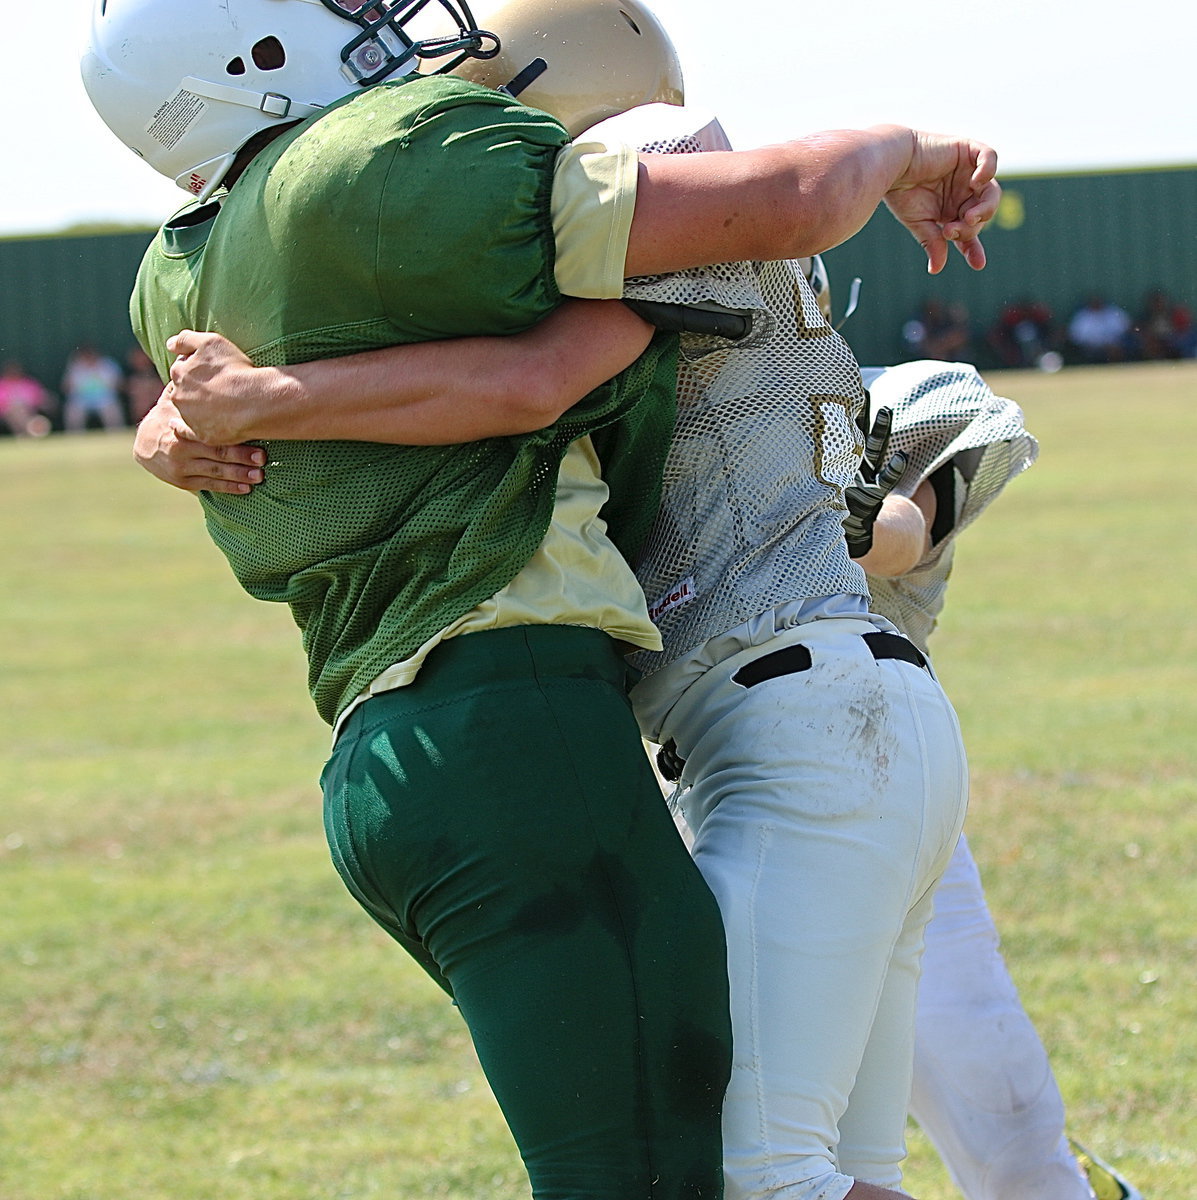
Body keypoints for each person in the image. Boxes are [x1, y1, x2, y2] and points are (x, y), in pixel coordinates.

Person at [131, 59, 1000, 1191]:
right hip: (854, 713)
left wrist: (258, 403)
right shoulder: (635, 228)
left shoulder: (640, 213)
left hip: (793, 727)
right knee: (833, 1171)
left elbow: (528, 382)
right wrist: (172, 427)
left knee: (755, 1177)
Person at [856, 358, 1141, 1200]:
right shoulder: (655, 430)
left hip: (893, 798)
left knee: (1002, 1102)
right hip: (710, 806)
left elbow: (903, 524)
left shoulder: (879, 425)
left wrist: (826, 509)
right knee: (795, 1143)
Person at [61, 343, 125, 432]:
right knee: (74, 410)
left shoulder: (107, 365)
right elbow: (66, 387)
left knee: (111, 409)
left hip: (104, 398)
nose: (88, 357)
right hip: (81, 399)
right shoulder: (75, 367)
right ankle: (75, 437)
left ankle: (116, 433)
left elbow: (119, 385)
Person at [1066, 295, 1135, 364]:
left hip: (1117, 344)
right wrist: (1101, 345)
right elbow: (1076, 337)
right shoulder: (1082, 317)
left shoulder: (1112, 312)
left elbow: (1127, 327)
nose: (1096, 304)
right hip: (1092, 348)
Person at [901, 297, 972, 362]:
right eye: (932, 309)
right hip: (919, 361)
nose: (935, 312)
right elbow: (919, 347)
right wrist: (939, 346)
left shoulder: (942, 324)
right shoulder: (916, 325)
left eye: (937, 309)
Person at [0, 360, 53, 437]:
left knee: (20, 409)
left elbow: (39, 396)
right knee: (16, 410)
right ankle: (32, 428)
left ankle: (27, 431)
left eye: (16, 370)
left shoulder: (28, 382)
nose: (14, 373)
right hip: (8, 413)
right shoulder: (2, 384)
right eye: (11, 371)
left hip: (28, 410)